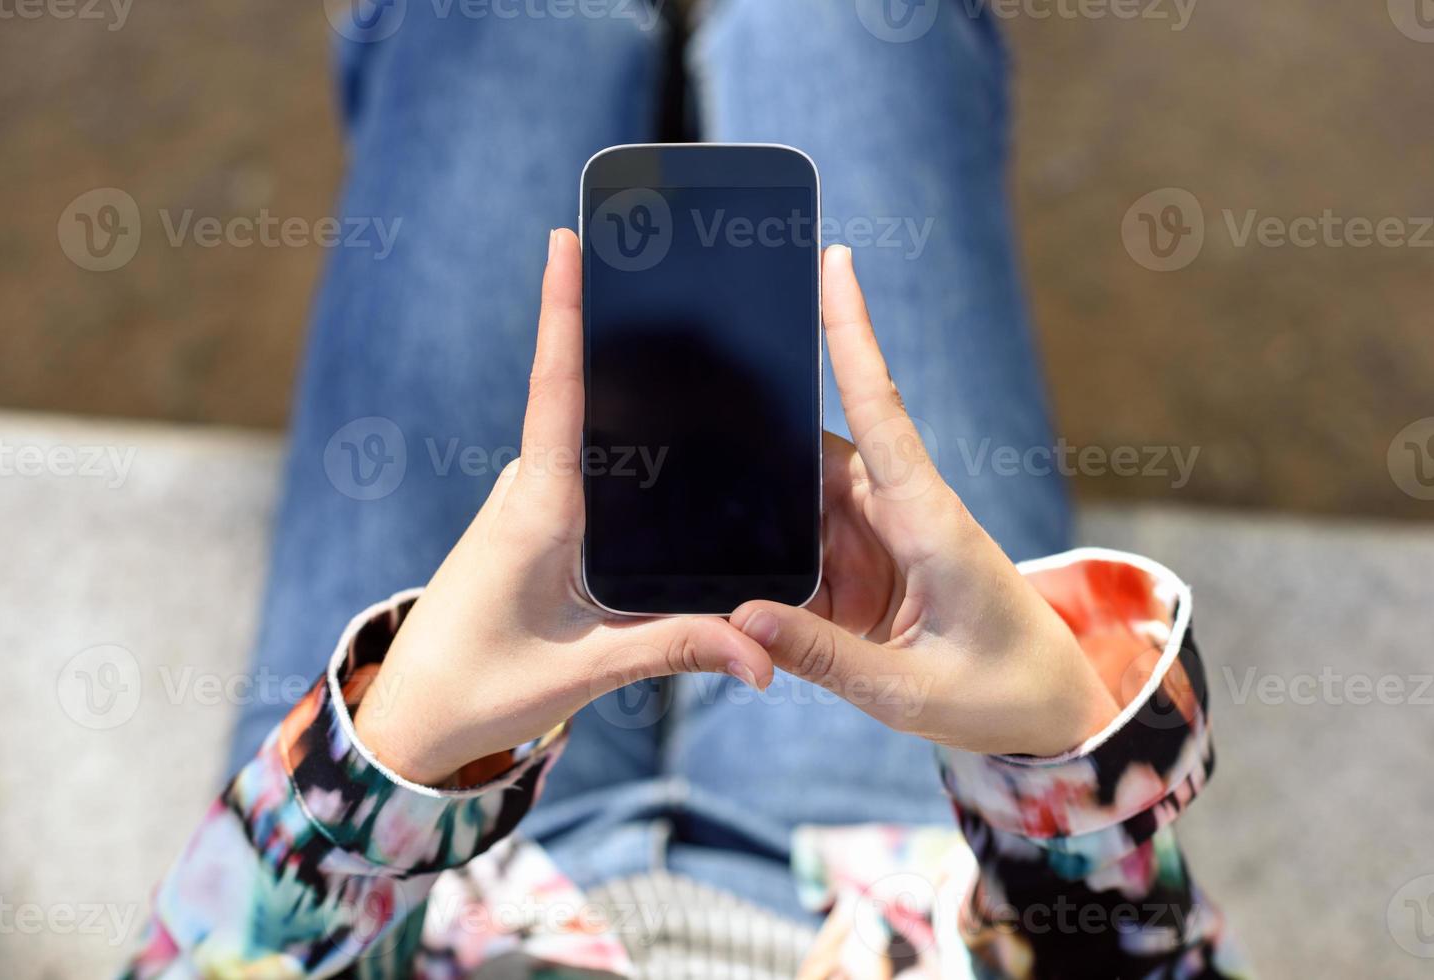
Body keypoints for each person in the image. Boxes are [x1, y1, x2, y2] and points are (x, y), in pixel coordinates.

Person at [124, 1, 1249, 976]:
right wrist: (1056, 744)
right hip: (895, 859)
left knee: (500, 26)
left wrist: (392, 766)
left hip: (449, 889)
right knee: (849, 27)